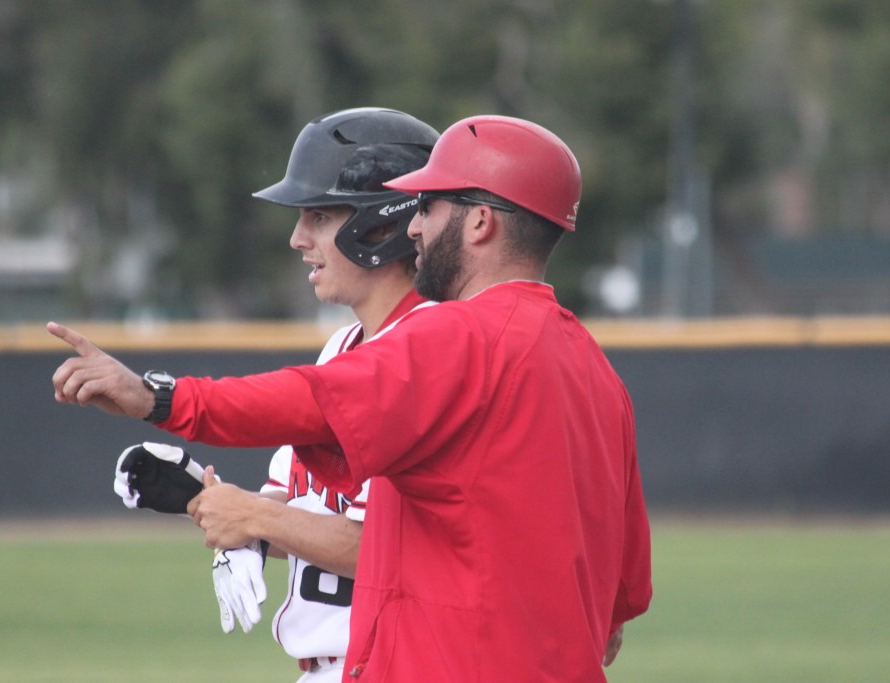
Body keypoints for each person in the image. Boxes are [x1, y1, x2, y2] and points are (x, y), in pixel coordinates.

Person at [50, 114, 652, 682]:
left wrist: (159, 398)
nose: (414, 224)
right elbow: (620, 603)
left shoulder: (462, 334)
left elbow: (309, 403)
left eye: (432, 206)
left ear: (480, 223)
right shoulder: (599, 375)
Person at [111, 107, 439, 683]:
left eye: (318, 214)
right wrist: (210, 501)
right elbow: (313, 521)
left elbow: (388, 549)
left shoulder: (432, 349)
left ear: (381, 225)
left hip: (401, 664)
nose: (298, 238)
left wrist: (255, 516)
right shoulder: (343, 345)